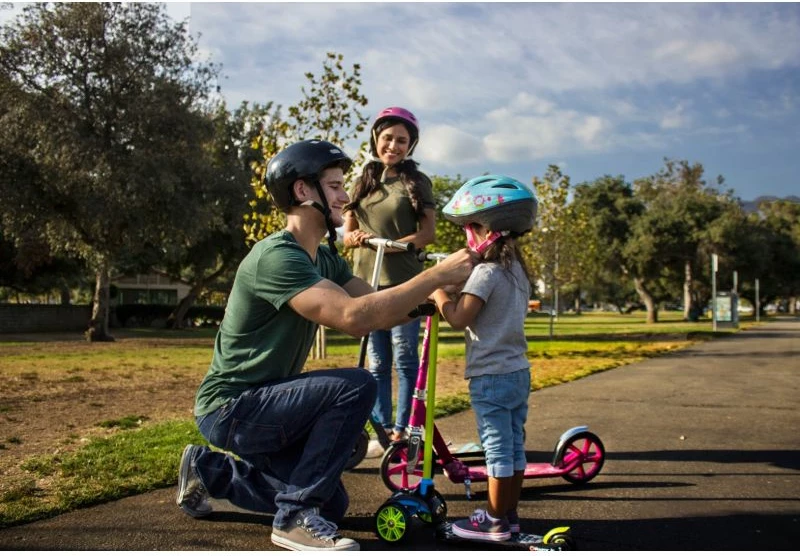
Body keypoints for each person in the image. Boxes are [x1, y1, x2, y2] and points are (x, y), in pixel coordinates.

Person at [175, 139, 475, 552]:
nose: (346, 196)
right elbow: (354, 319)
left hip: (264, 405)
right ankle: (294, 518)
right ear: (303, 191)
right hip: (231, 408)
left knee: (332, 504)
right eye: (335, 186)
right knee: (355, 385)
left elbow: (377, 307)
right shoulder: (277, 257)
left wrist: (434, 301)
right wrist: (435, 275)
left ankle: (207, 469)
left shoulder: (325, 258)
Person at [430, 174, 538, 542]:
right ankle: (509, 516)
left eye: (469, 227)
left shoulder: (486, 272)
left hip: (490, 376)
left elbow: (461, 318)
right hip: (518, 372)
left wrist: (440, 294)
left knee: (496, 449)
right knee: (514, 445)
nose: (467, 236)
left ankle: (492, 522)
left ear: (487, 231)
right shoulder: (517, 271)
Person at [343, 107, 436, 457]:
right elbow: (347, 230)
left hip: (402, 282)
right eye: (387, 139)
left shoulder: (416, 181)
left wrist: (401, 246)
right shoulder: (363, 179)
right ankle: (381, 431)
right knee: (377, 362)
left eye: (402, 140)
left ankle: (404, 428)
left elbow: (427, 233)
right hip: (365, 281)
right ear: (376, 140)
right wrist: (353, 238)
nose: (393, 146)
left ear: (410, 145)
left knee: (405, 357)